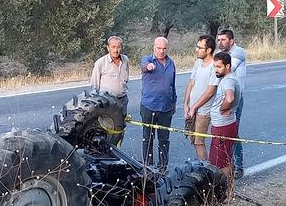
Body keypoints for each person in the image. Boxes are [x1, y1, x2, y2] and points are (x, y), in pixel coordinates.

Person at [138, 36, 176, 172]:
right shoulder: (147, 59)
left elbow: (172, 85)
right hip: (149, 106)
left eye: (164, 48)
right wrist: (148, 67)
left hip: (166, 107)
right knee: (148, 138)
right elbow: (144, 66)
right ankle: (148, 166)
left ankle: (162, 167)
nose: (161, 51)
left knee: (164, 139)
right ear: (154, 47)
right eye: (158, 48)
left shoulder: (171, 63)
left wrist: (173, 102)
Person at [207, 51, 241, 189]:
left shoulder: (228, 80)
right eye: (215, 66)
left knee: (222, 162)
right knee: (222, 159)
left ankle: (227, 191)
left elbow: (230, 98)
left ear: (227, 66)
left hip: (223, 126)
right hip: (221, 125)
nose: (216, 69)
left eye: (219, 67)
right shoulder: (227, 78)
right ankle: (225, 190)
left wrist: (222, 108)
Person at [216, 29, 247, 178]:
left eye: (223, 40)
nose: (220, 43)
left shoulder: (238, 52)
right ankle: (228, 166)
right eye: (219, 40)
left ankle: (237, 166)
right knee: (226, 132)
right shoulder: (221, 55)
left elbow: (227, 69)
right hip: (224, 97)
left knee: (232, 132)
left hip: (235, 99)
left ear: (231, 41)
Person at [183, 35, 218, 161]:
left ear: (208, 50)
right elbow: (191, 82)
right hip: (192, 108)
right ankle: (201, 164)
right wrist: (186, 104)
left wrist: (194, 107)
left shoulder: (214, 66)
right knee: (193, 140)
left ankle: (205, 167)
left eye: (199, 47)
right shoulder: (198, 63)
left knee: (199, 142)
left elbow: (210, 92)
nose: (196, 50)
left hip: (203, 111)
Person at [89, 35, 130, 144]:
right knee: (106, 129)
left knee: (120, 128)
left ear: (121, 48)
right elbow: (94, 85)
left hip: (122, 100)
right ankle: (106, 150)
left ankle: (117, 149)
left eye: (118, 47)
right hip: (107, 103)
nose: (116, 50)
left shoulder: (125, 60)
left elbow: (126, 78)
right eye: (113, 47)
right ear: (108, 48)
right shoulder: (101, 63)